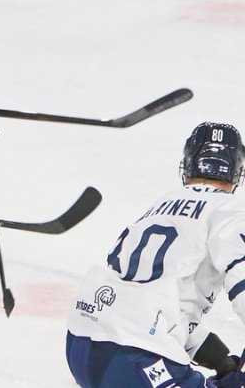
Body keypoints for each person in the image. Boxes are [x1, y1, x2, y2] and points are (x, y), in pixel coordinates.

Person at [66, 122, 245, 388]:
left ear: (188, 164)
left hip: (82, 343)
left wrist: (221, 361)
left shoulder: (161, 204)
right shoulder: (230, 211)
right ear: (236, 170)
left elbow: (158, 303)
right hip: (136, 353)